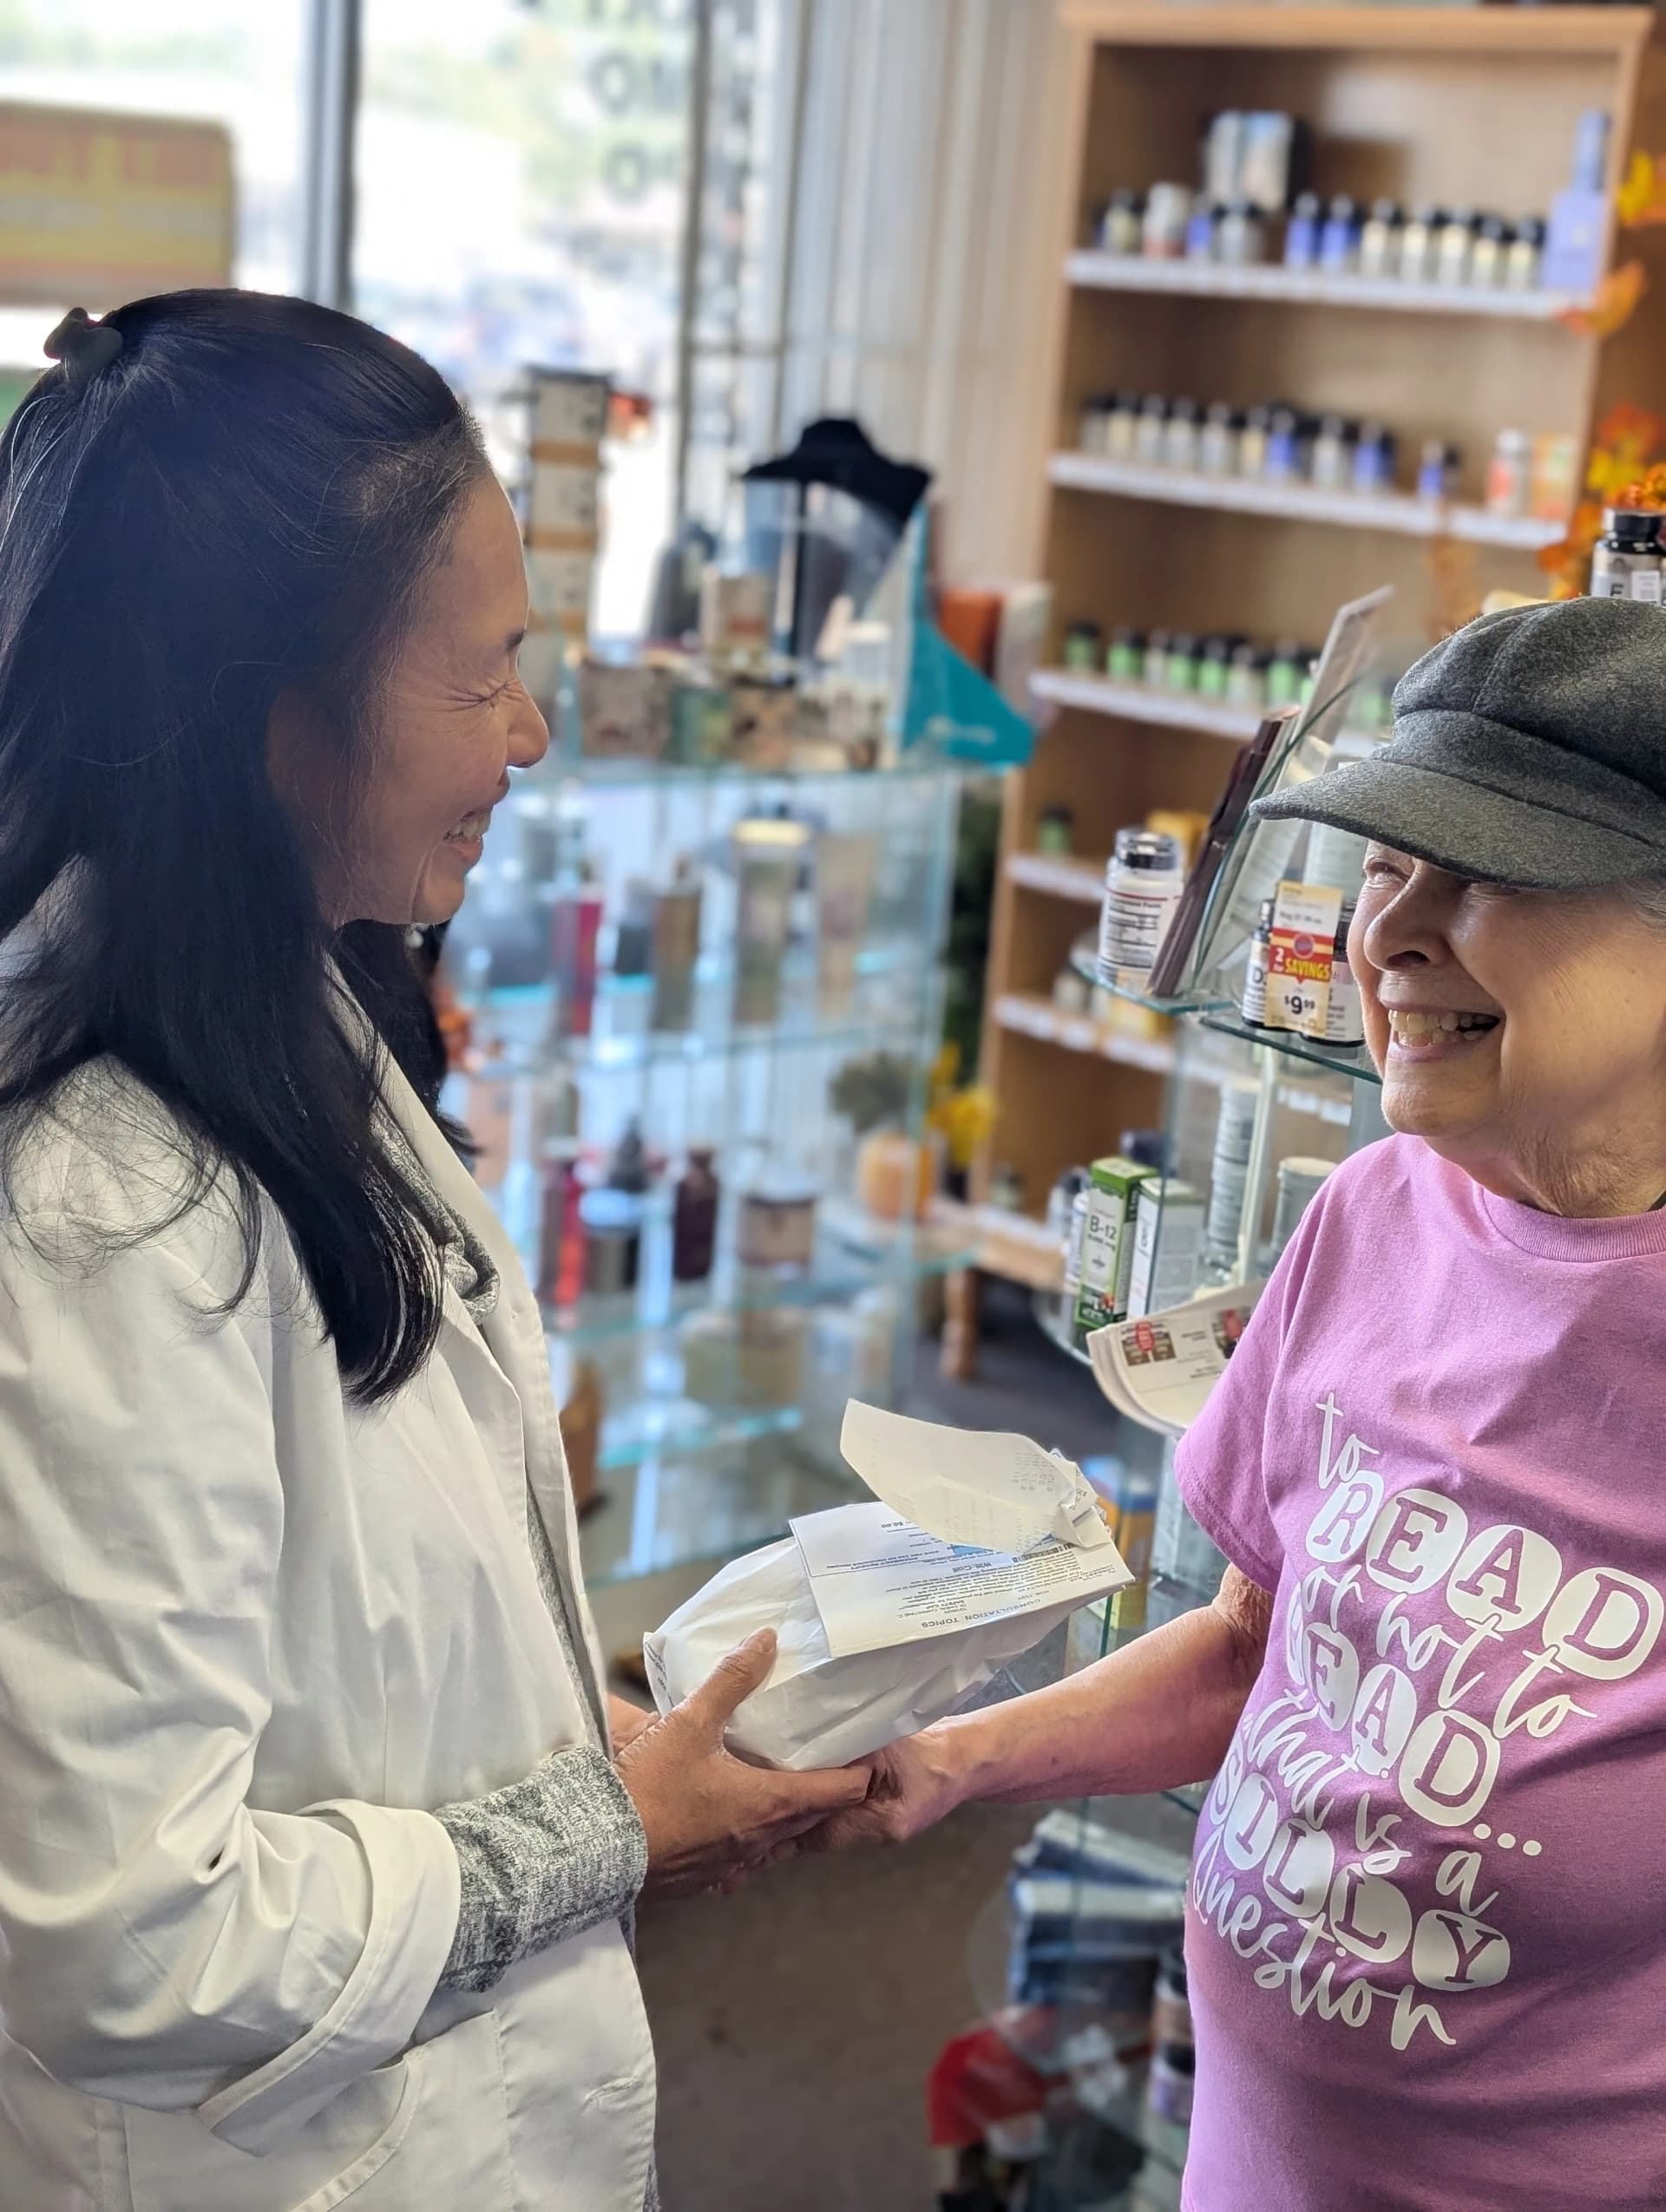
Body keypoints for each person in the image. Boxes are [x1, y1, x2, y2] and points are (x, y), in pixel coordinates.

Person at [0, 293, 866, 2212]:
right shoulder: (91, 1204)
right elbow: (127, 1942)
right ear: (269, 713)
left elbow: (348, 1626)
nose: (535, 735)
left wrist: (568, 1731)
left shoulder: (289, 1021)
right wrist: (592, 1828)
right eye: (484, 676)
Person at [810, 596, 1666, 2210]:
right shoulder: (1374, 1214)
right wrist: (956, 1757)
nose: (1391, 931)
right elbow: (1250, 1644)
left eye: (1478, 871)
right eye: (1386, 862)